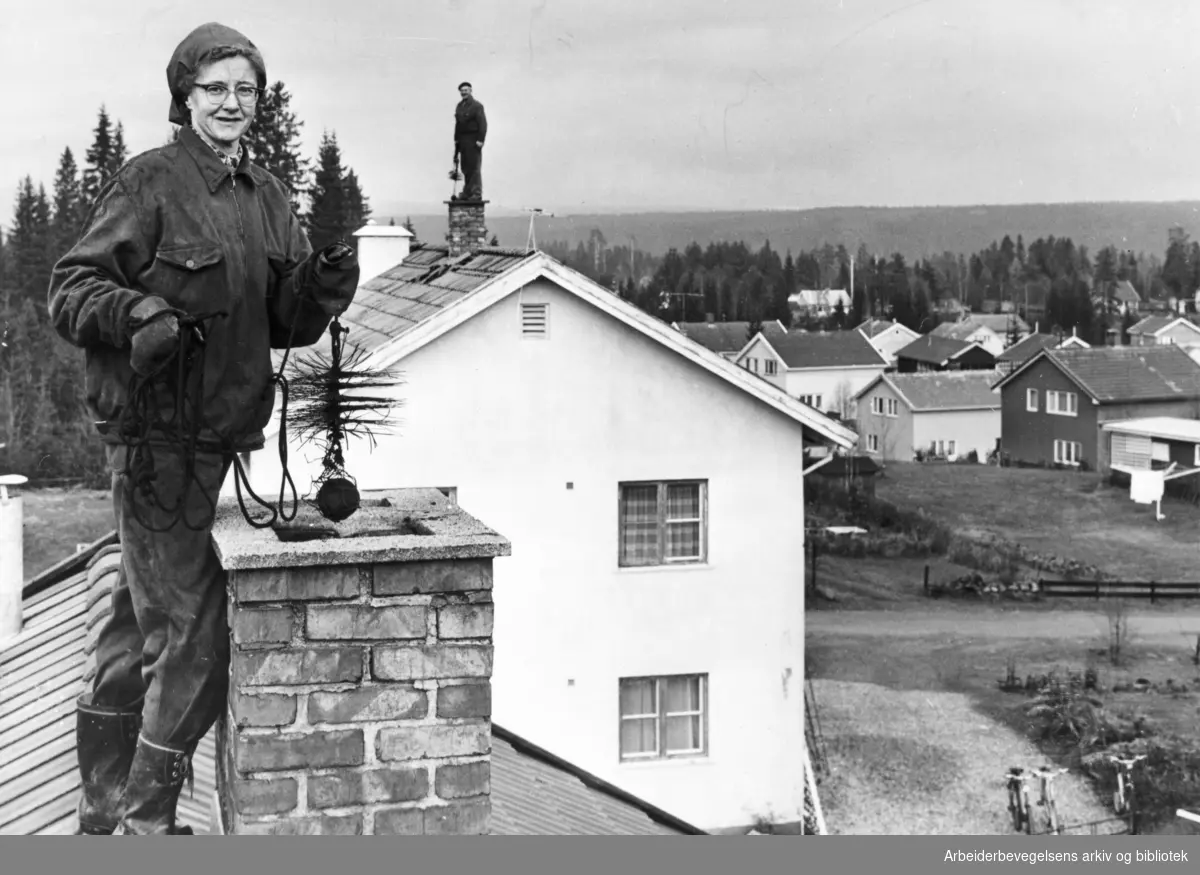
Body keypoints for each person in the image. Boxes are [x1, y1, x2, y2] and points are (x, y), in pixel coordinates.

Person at [48, 22, 360, 835]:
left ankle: (101, 810)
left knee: (134, 622)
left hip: (218, 442)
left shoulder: (266, 197)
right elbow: (69, 288)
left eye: (245, 89)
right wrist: (138, 311)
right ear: (184, 97)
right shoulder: (148, 183)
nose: (232, 102)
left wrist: (324, 287)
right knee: (189, 636)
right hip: (154, 449)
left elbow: (284, 320)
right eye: (215, 88)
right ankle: (148, 827)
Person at [453, 81, 487, 200]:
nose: (464, 93)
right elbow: (458, 124)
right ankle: (467, 192)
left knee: (474, 167)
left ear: (471, 90)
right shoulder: (459, 106)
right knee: (465, 167)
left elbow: (482, 124)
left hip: (473, 140)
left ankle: (476, 193)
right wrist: (456, 140)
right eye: (462, 91)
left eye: (466, 90)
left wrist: (480, 140)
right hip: (463, 141)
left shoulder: (477, 106)